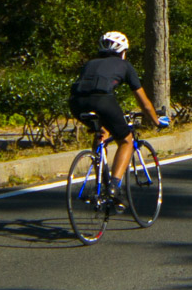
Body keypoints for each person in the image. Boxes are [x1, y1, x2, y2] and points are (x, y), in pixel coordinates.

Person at [69, 31, 168, 205]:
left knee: (102, 132)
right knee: (126, 141)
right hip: (102, 100)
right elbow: (144, 103)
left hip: (76, 103)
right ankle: (114, 187)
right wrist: (156, 120)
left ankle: (101, 177)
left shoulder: (89, 64)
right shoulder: (125, 66)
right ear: (123, 51)